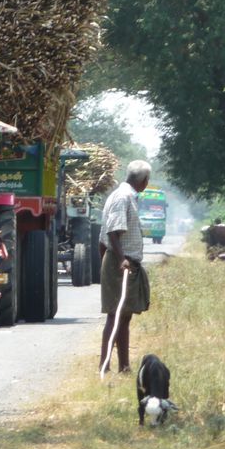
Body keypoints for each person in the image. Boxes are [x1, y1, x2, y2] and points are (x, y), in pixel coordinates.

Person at [98, 159, 152, 373]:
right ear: (144, 181)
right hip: (122, 264)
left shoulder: (124, 195)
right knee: (116, 314)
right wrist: (120, 260)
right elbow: (112, 232)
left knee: (125, 315)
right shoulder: (124, 197)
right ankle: (105, 365)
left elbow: (103, 238)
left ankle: (124, 366)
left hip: (122, 262)